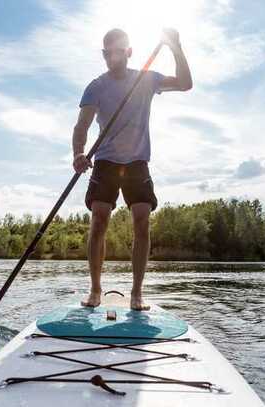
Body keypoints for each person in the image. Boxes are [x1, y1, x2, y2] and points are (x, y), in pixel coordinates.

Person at [72, 28, 192, 310]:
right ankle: (95, 290)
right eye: (107, 52)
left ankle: (137, 293)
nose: (112, 57)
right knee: (99, 218)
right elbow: (82, 126)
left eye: (117, 51)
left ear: (128, 52)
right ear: (103, 55)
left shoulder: (147, 79)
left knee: (141, 220)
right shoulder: (96, 86)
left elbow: (185, 84)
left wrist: (175, 47)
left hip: (137, 162)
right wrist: (78, 152)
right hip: (106, 161)